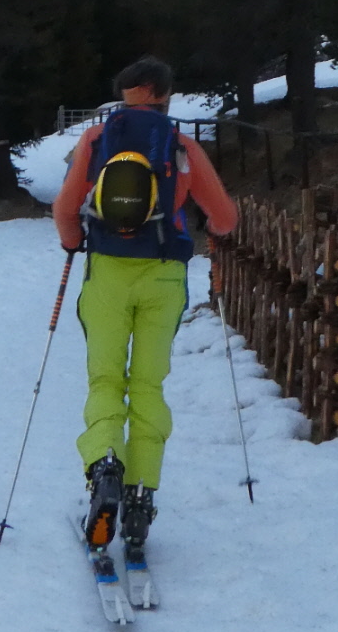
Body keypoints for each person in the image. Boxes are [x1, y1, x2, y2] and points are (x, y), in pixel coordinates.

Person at [52, 55, 237, 562]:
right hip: (164, 274)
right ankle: (141, 494)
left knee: (105, 380)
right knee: (148, 385)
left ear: (127, 94)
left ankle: (104, 466)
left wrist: (73, 241)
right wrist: (210, 228)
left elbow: (65, 209)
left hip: (107, 274)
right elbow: (224, 217)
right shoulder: (180, 145)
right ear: (164, 94)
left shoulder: (96, 140)